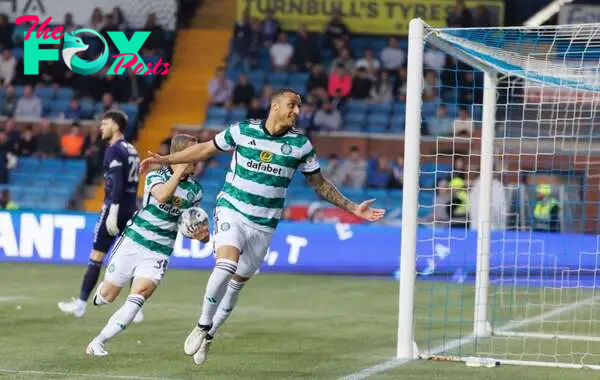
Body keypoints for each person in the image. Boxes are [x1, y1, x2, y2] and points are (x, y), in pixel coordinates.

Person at [140, 88, 386, 366]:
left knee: (236, 285)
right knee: (226, 265)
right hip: (232, 208)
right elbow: (205, 148)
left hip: (264, 224)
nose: (296, 111)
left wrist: (352, 207)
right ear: (275, 106)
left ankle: (209, 335)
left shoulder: (301, 145)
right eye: (292, 105)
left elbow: (319, 184)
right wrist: (166, 160)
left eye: (299, 107)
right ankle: (201, 325)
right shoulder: (243, 131)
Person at [85, 134, 209, 356]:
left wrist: (199, 235)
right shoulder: (156, 175)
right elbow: (161, 196)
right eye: (193, 154)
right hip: (134, 241)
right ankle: (100, 294)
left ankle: (98, 341)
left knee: (139, 296)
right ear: (181, 155)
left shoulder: (196, 190)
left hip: (159, 251)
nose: (197, 159)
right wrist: (178, 169)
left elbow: (187, 221)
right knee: (107, 296)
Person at [57, 110, 141, 319]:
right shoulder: (132, 150)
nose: (101, 128)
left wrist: (112, 210)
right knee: (132, 258)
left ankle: (81, 304)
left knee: (96, 257)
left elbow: (117, 182)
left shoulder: (113, 150)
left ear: (115, 126)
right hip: (131, 208)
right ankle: (135, 309)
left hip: (115, 207)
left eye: (105, 124)